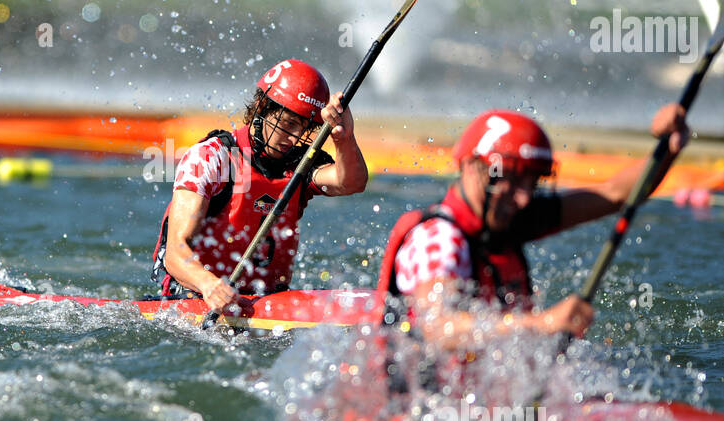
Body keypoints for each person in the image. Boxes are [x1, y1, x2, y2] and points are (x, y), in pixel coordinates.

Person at [373, 105, 690, 391]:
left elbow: (615, 194)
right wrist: (542, 324)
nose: (524, 198)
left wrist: (667, 149)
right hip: (421, 411)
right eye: (510, 179)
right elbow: (439, 328)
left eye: (532, 182)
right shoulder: (439, 240)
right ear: (471, 167)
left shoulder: (509, 217)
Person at [152, 59, 369, 311]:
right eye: (287, 124)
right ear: (261, 108)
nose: (294, 137)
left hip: (267, 301)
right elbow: (176, 253)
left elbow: (351, 182)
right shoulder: (212, 158)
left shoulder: (301, 165)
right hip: (194, 297)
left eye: (304, 127)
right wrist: (210, 286)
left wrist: (344, 137)